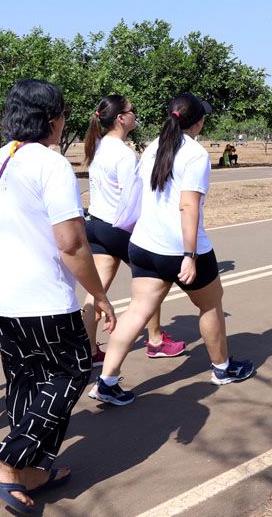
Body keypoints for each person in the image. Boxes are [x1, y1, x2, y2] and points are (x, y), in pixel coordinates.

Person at [0, 80, 116, 513]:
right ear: (53, 119)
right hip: (41, 297)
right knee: (70, 373)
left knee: (26, 380)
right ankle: (7, 459)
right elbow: (71, 243)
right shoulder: (51, 166)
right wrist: (99, 294)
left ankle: (29, 471)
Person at [88, 93, 254, 406]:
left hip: (144, 244)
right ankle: (222, 368)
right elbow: (188, 205)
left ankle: (106, 381)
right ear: (199, 122)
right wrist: (190, 255)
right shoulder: (195, 153)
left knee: (137, 310)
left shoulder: (152, 146)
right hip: (179, 247)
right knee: (210, 305)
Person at [82, 95, 184, 365]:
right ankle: (156, 341)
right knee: (151, 282)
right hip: (118, 227)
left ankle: (89, 351)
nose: (135, 114)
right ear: (120, 118)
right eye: (132, 110)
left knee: (95, 292)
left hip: (95, 225)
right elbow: (132, 200)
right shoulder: (125, 154)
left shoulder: (98, 147)